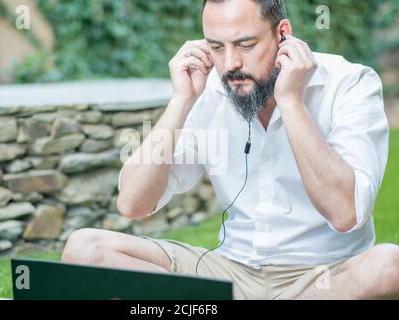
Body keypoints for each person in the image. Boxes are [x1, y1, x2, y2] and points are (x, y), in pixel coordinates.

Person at [62, 0, 398, 299]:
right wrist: (181, 101)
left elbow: (345, 213)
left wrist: (291, 101)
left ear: (283, 34)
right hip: (228, 273)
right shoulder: (208, 90)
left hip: (324, 277)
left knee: (388, 267)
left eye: (245, 44)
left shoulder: (350, 83)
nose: (231, 63)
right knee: (85, 248)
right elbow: (133, 203)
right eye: (216, 47)